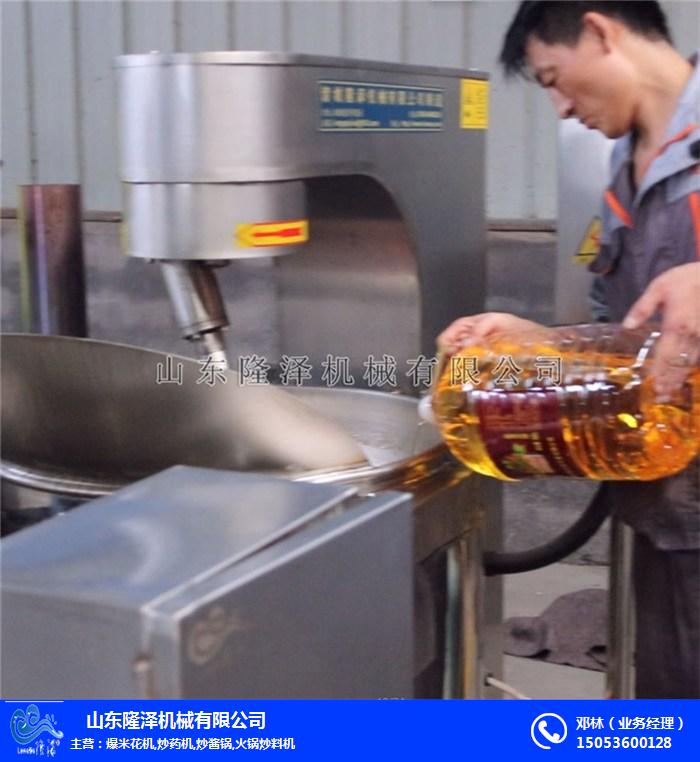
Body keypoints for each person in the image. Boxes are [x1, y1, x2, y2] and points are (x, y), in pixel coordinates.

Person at [438, 1, 699, 698]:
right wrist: (538, 343)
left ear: (600, 32)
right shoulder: (625, 165)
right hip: (666, 501)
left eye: (554, 79)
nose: (559, 109)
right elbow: (623, 334)